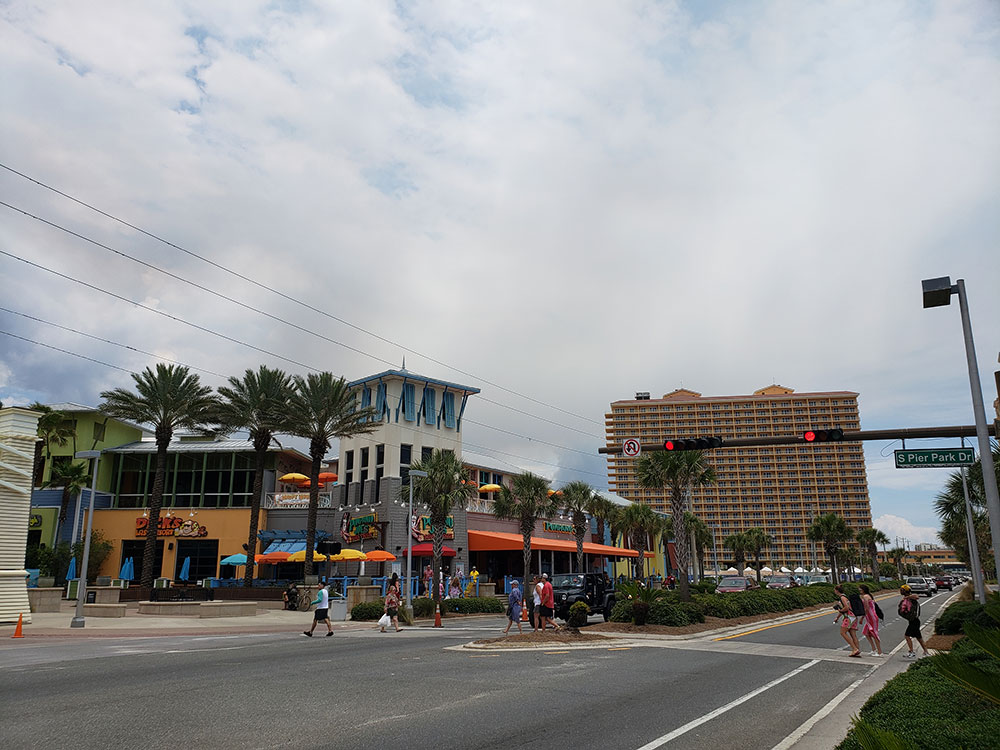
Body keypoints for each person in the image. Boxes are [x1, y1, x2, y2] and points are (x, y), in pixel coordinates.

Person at [898, 584, 929, 659]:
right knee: (919, 637)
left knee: (907, 635)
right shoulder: (905, 599)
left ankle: (911, 652)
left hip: (914, 621)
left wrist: (907, 597)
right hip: (913, 621)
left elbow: (916, 596)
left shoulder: (911, 598)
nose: (900, 591)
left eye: (902, 590)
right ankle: (926, 652)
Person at [834, 584, 861, 657]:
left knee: (843, 632)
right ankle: (857, 649)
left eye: (835, 590)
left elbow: (846, 608)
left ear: (837, 591)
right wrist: (838, 617)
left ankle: (854, 649)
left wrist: (840, 610)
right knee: (853, 634)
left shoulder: (842, 598)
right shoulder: (845, 596)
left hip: (849, 617)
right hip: (853, 616)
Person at [859, 583, 883, 656]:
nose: (859, 590)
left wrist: (862, 618)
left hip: (871, 616)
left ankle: (879, 652)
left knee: (874, 633)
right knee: (866, 632)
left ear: (863, 590)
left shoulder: (866, 597)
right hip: (869, 617)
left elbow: (866, 608)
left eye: (860, 589)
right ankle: (873, 649)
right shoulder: (866, 596)